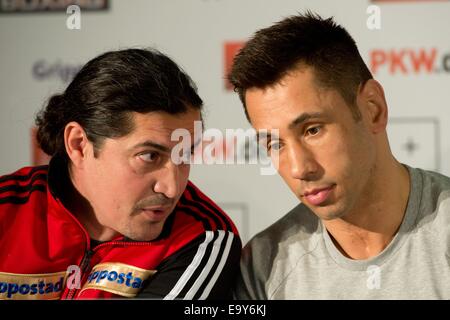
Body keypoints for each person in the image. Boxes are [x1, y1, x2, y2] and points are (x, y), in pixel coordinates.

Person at [229, 12, 450, 299]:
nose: (299, 168)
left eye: (312, 130)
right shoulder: (262, 267)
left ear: (373, 109)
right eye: (274, 143)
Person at [0, 48, 241, 300]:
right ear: (78, 144)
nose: (171, 188)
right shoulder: (6, 210)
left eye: (184, 155)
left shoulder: (203, 235)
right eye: (149, 156)